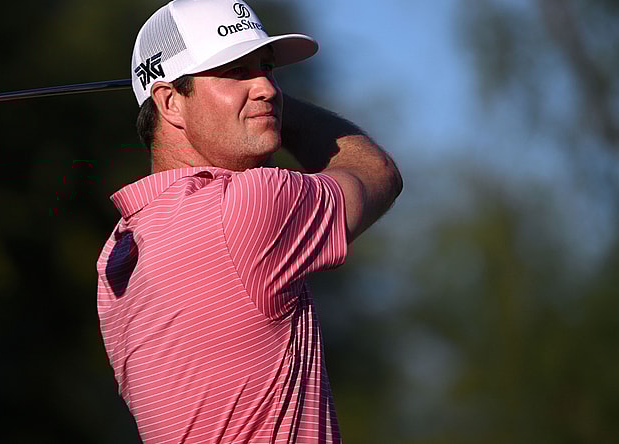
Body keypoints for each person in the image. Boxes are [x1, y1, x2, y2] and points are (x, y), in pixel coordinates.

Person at [96, 0, 402, 442]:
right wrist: (278, 110)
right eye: (236, 71)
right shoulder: (250, 205)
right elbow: (377, 173)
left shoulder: (117, 254)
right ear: (169, 103)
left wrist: (249, 103)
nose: (268, 89)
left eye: (267, 68)